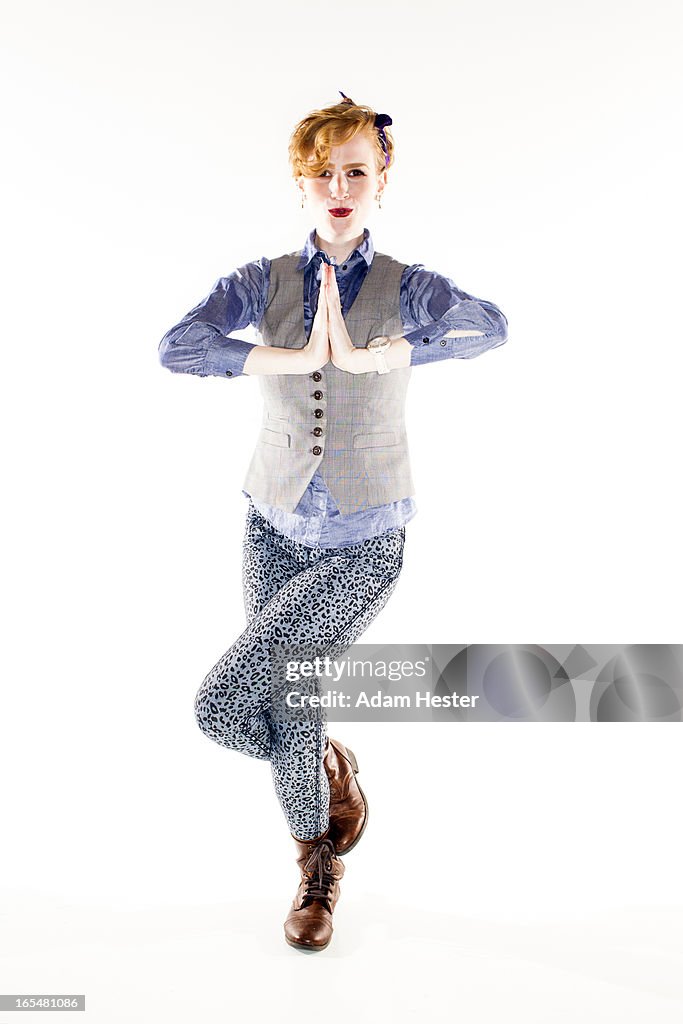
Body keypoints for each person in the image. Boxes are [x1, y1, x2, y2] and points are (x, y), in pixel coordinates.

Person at [158, 90, 508, 952]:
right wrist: (289, 354)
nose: (339, 186)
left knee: (229, 702)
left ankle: (317, 865)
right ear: (301, 184)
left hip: (365, 537)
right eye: (322, 173)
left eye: (356, 170)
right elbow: (177, 345)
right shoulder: (264, 281)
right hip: (271, 521)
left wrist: (373, 352)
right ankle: (319, 786)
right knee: (275, 705)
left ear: (381, 176)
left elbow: (488, 328)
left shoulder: (407, 288)